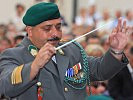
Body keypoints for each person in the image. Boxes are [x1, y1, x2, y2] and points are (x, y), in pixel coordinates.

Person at [0, 2, 131, 100]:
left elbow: (100, 70)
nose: (55, 34)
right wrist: (35, 66)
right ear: (29, 31)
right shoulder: (13, 55)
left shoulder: (72, 50)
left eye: (58, 27)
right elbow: (5, 87)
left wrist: (116, 50)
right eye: (47, 29)